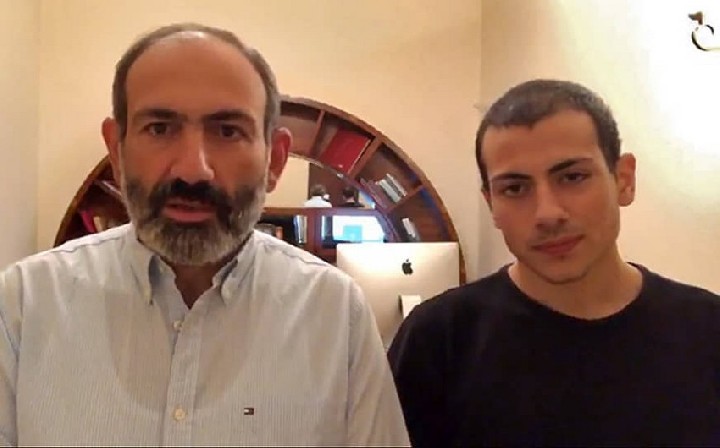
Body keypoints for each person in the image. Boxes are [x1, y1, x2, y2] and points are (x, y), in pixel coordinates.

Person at [0, 23, 409, 447]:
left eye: (227, 131)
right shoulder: (23, 308)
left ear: (275, 159)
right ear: (116, 151)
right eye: (160, 128)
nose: (192, 170)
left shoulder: (336, 316)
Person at [388, 79, 720, 446]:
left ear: (624, 180)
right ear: (491, 204)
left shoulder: (707, 330)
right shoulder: (438, 342)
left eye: (572, 177)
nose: (547, 213)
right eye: (515, 188)